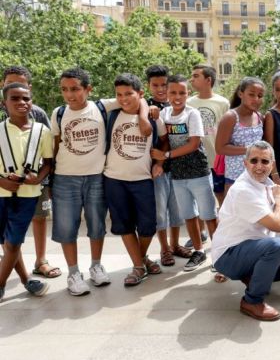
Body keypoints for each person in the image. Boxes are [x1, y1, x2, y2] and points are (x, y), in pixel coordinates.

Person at [210, 141, 280, 321]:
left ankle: (254, 277)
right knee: (276, 245)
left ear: (272, 165)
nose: (259, 166)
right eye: (254, 161)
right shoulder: (244, 189)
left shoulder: (266, 183)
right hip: (229, 254)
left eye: (265, 161)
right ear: (245, 163)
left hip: (254, 247)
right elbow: (277, 225)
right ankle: (252, 301)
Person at [51, 68, 126, 296]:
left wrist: (146, 111)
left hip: (96, 177)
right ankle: (73, 273)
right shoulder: (59, 113)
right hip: (64, 178)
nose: (70, 94)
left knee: (96, 224)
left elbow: (133, 97)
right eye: (65, 90)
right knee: (66, 227)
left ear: (88, 89)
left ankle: (96, 265)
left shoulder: (102, 106)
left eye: (75, 89)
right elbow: (55, 146)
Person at [152, 75, 218, 273]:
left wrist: (166, 155)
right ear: (167, 93)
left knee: (209, 215)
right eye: (173, 92)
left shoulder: (192, 114)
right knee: (189, 215)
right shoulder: (164, 113)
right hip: (178, 175)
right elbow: (163, 138)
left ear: (188, 93)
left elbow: (194, 143)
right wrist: (161, 163)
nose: (177, 96)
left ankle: (220, 254)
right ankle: (199, 251)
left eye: (182, 92)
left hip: (198, 172)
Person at [103, 74, 163, 286]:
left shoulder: (156, 118)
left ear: (140, 94)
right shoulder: (110, 114)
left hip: (142, 179)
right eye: (119, 94)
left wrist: (160, 163)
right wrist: (145, 110)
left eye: (129, 93)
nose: (123, 98)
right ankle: (139, 266)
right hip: (114, 180)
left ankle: (141, 258)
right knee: (124, 225)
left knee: (148, 226)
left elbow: (163, 142)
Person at [1, 66, 59, 279]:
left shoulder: (38, 115)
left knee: (39, 218)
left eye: (22, 86)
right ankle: (16, 267)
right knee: (10, 232)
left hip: (35, 181)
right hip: (4, 186)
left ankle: (40, 260)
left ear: (29, 89)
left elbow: (47, 154)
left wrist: (43, 179)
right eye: (9, 85)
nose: (20, 100)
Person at [144, 65, 190, 267]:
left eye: (164, 85)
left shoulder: (178, 106)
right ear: (148, 86)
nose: (161, 89)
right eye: (156, 85)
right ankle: (164, 249)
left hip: (179, 166)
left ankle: (175, 244)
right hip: (157, 168)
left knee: (177, 209)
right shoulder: (145, 107)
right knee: (160, 211)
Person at [188, 64, 229, 208]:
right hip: (196, 161)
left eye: (196, 76)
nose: (191, 79)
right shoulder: (188, 103)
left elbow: (228, 132)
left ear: (208, 80)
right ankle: (202, 231)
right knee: (200, 201)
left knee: (221, 195)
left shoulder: (223, 103)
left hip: (218, 160)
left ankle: (224, 227)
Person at [215, 77, 264, 194]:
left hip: (257, 177)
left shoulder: (260, 116)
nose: (256, 99)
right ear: (241, 94)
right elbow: (220, 148)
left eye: (260, 95)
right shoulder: (230, 117)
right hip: (236, 179)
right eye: (251, 95)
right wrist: (250, 150)